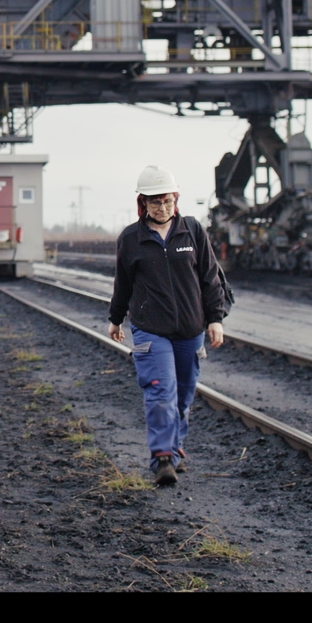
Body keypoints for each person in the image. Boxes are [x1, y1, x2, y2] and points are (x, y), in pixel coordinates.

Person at [106, 165, 229, 488]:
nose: (163, 208)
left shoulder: (192, 231)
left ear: (176, 199)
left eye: (168, 201)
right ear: (143, 203)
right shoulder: (131, 239)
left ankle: (174, 449)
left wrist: (215, 318)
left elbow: (210, 277)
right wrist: (115, 319)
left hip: (191, 328)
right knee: (161, 393)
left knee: (183, 396)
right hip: (151, 329)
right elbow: (124, 284)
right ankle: (162, 458)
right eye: (155, 202)